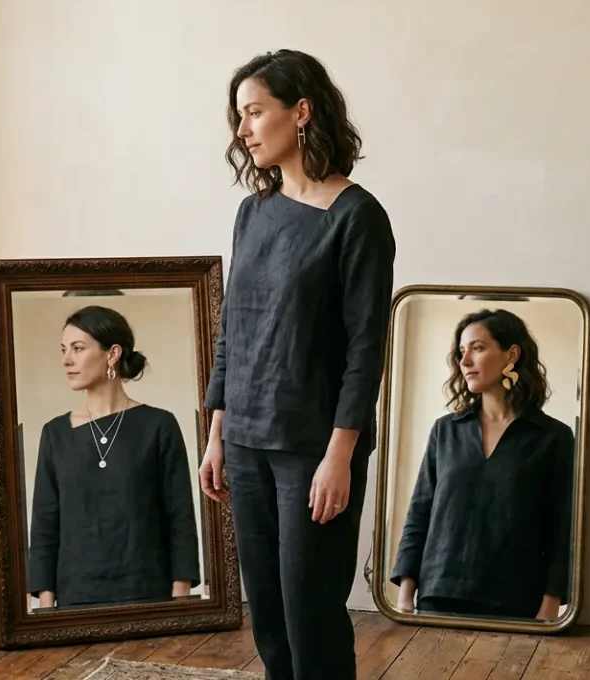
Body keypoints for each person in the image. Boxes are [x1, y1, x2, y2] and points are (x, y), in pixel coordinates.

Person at [199, 49, 396, 680]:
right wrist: (217, 433)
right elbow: (232, 328)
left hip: (313, 447)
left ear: (301, 111)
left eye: (255, 112)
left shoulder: (357, 217)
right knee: (269, 618)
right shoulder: (252, 212)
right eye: (239, 116)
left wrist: (341, 455)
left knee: (311, 615)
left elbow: (366, 349)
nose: (243, 130)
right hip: (246, 441)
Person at [390, 309, 574, 621]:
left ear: (511, 355)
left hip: (517, 601)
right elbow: (419, 513)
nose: (464, 361)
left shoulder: (553, 437)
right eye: (461, 351)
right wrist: (405, 594)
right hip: (439, 594)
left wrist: (551, 602)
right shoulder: (445, 430)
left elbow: (562, 527)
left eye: (477, 348)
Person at [27, 305, 201, 608]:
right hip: (76, 597)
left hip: (147, 590)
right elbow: (45, 525)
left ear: (112, 354)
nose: (66, 360)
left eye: (78, 348)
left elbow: (179, 516)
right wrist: (46, 605)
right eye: (64, 350)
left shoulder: (159, 426)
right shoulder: (55, 433)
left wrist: (180, 595)